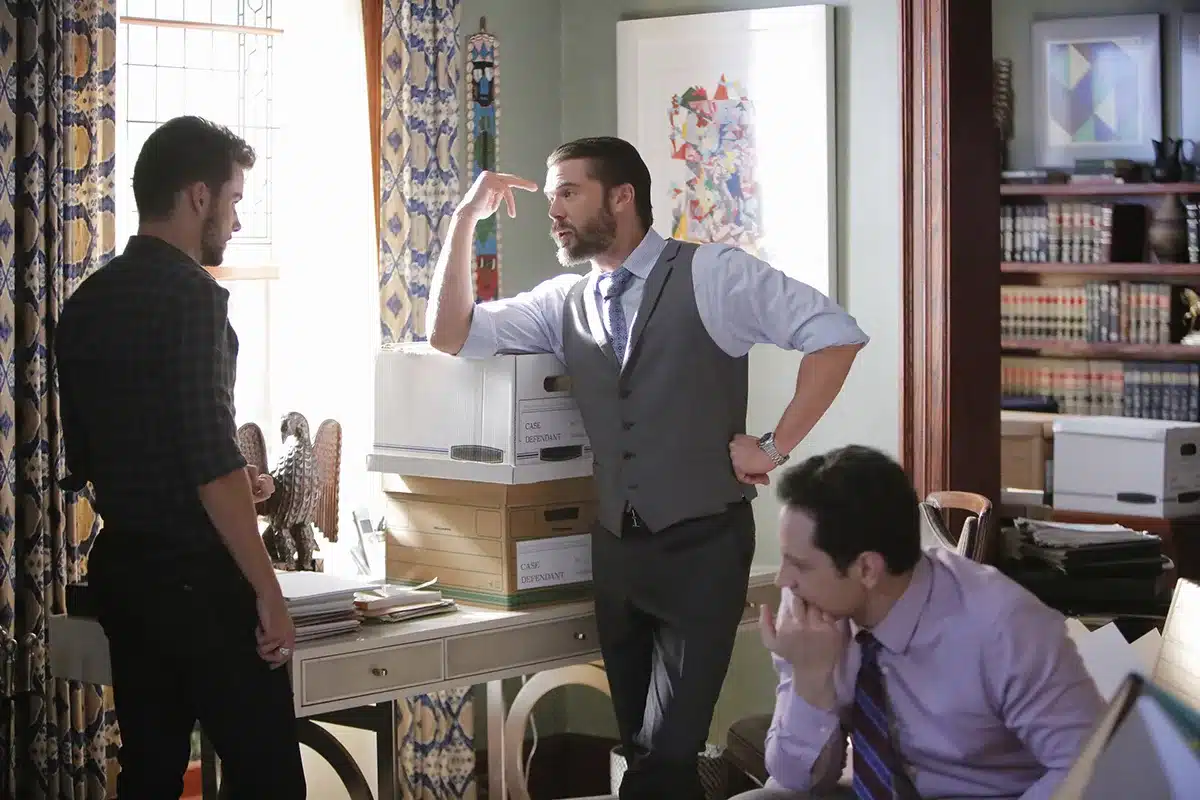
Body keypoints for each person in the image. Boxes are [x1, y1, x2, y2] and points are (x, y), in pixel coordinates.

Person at [427, 136, 869, 799]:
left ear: (622, 196)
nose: (555, 211)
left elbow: (835, 334)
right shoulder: (563, 302)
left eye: (568, 193)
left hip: (703, 546)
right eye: (552, 198)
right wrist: (465, 219)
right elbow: (449, 334)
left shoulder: (713, 273)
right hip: (616, 551)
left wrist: (774, 447)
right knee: (643, 751)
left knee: (665, 754)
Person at [55, 116, 305, 799]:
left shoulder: (85, 304)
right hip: (201, 583)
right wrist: (269, 591)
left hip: (126, 575)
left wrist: (227, 476)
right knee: (269, 781)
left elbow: (98, 453)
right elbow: (208, 463)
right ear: (198, 196)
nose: (237, 219)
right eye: (234, 199)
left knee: (150, 776)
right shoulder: (195, 297)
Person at [733, 445, 1104, 800]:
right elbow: (795, 780)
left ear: (867, 569)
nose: (783, 580)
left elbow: (1089, 767)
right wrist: (810, 678)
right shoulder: (808, 613)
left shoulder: (1004, 625)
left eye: (799, 565)